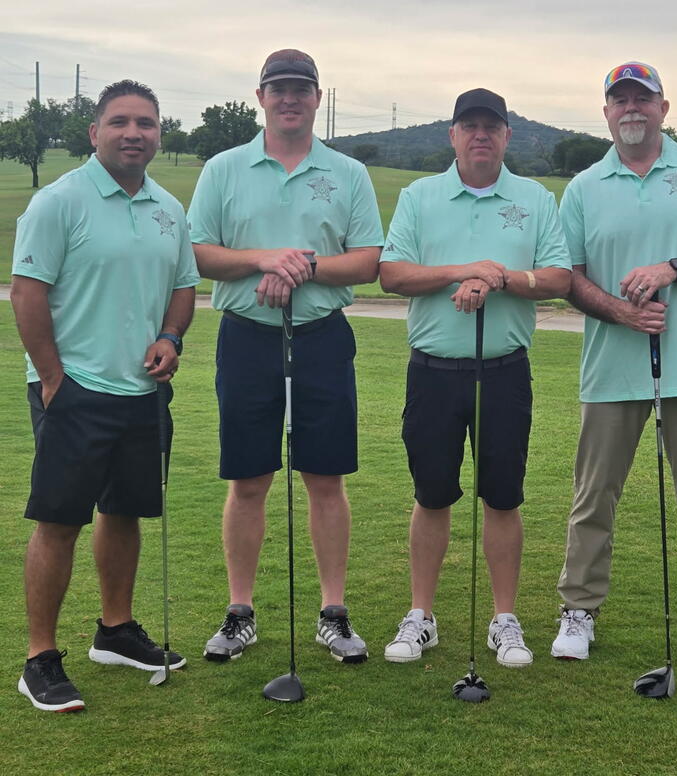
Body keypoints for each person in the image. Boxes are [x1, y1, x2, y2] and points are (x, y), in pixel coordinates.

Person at [188, 49, 383, 665]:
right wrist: (264, 259)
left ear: (317, 98)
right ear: (261, 96)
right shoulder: (223, 168)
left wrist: (302, 267)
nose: (290, 98)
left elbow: (369, 259)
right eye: (279, 88)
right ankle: (240, 611)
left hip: (322, 337)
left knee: (325, 478)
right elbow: (196, 252)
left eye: (302, 88)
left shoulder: (347, 172)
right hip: (246, 337)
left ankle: (333, 612)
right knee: (249, 479)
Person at [552, 61, 677, 669]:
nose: (631, 108)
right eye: (620, 100)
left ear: (664, 107)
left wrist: (675, 268)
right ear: (607, 111)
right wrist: (618, 311)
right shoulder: (585, 186)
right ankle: (578, 611)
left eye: (643, 99)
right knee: (594, 498)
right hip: (611, 368)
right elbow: (568, 276)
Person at [12, 80, 199, 712]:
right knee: (59, 521)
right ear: (94, 133)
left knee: (126, 511)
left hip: (143, 393)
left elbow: (182, 287)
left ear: (158, 135)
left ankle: (115, 631)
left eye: (145, 123)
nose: (133, 133)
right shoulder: (58, 202)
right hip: (75, 390)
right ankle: (40, 657)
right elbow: (28, 293)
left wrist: (172, 335)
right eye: (119, 122)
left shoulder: (169, 210)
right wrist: (53, 378)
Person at [379, 88, 571, 666]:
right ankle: (421, 615)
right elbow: (392, 274)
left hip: (505, 372)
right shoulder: (420, 196)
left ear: (508, 136)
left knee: (502, 497)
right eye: (470, 126)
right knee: (431, 495)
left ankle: (504, 618)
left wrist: (499, 279)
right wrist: (464, 270)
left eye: (492, 126)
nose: (481, 134)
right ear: (453, 134)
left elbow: (559, 276)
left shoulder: (534, 199)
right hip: (433, 373)